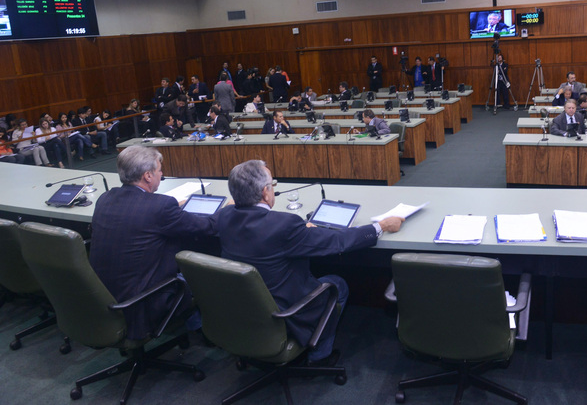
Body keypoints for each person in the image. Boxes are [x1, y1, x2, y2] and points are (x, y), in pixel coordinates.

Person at [216, 160, 404, 365]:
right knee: (338, 284)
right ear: (265, 192)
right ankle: (319, 356)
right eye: (273, 184)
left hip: (241, 309)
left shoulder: (224, 216)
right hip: (283, 314)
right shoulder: (284, 225)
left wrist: (301, 232)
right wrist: (381, 226)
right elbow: (338, 241)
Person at [89, 146, 219, 340]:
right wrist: (229, 209)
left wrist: (175, 209)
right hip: (141, 304)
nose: (162, 174)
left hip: (103, 299)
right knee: (205, 269)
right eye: (159, 170)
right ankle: (206, 330)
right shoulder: (161, 206)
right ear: (148, 176)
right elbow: (206, 227)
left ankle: (194, 326)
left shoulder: (105, 198)